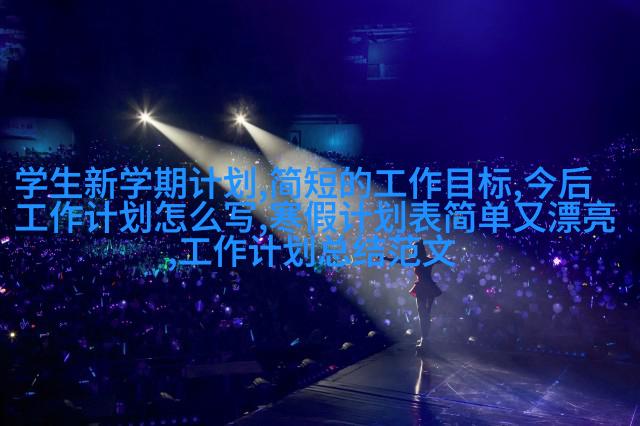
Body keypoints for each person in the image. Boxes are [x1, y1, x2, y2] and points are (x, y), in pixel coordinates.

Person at [384, 240, 443, 350]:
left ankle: (424, 339)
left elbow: (400, 261)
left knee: (422, 315)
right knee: (427, 314)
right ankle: (425, 338)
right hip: (430, 287)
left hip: (422, 288)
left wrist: (385, 258)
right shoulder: (428, 259)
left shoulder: (416, 260)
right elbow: (441, 260)